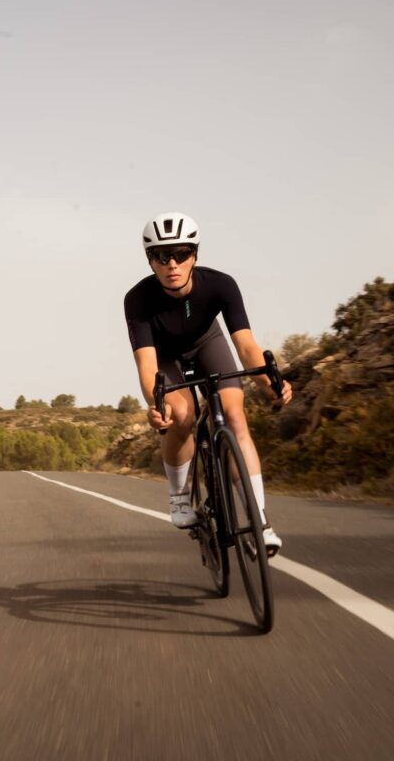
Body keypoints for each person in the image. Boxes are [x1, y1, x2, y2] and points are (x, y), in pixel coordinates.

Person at [123, 213, 292, 555]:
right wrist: (156, 406)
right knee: (182, 414)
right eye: (161, 256)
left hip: (207, 343)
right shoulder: (137, 300)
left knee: (234, 417)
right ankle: (179, 496)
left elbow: (246, 346)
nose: (172, 263)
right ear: (150, 260)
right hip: (165, 356)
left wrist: (268, 382)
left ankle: (260, 524)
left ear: (195, 255)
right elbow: (147, 365)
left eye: (182, 253)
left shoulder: (221, 285)